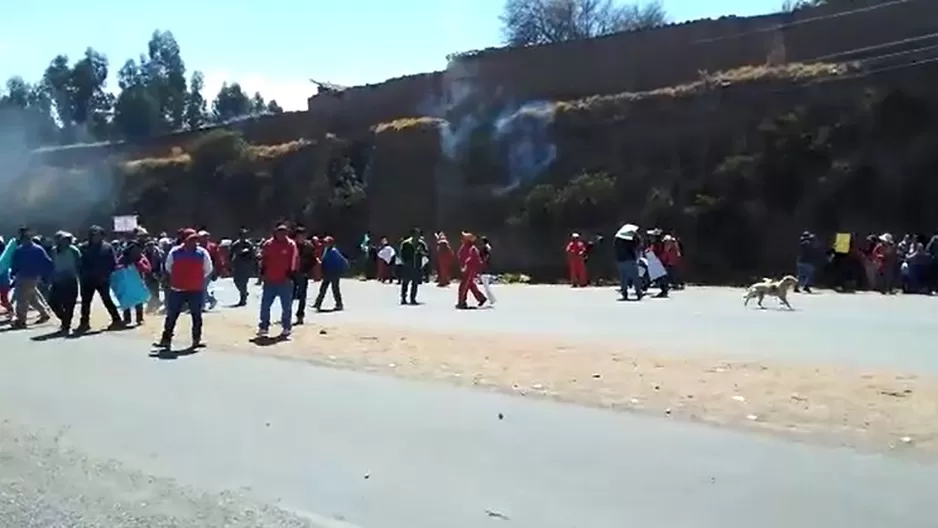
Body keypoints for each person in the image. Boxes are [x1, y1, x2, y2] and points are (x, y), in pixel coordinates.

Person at [158, 229, 213, 349]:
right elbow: (168, 267)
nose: (194, 242)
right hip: (178, 289)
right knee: (172, 315)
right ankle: (166, 339)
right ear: (184, 240)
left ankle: (196, 340)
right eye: (191, 239)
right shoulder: (175, 252)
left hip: (195, 289)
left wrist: (195, 278)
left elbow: (208, 269)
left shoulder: (202, 253)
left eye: (195, 239)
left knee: (196, 316)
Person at [76, 225, 123, 332]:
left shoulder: (107, 247)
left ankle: (117, 320)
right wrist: (82, 275)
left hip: (103, 279)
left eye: (98, 235)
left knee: (107, 300)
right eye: (93, 235)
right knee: (86, 302)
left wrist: (108, 273)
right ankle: (84, 323)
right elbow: (79, 263)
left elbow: (113, 263)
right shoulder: (83, 247)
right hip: (87, 279)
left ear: (102, 235)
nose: (96, 237)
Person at [257, 225, 298, 338]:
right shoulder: (268, 244)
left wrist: (291, 273)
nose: (282, 235)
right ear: (275, 232)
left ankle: (286, 327)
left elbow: (294, 259)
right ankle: (263, 326)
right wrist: (261, 275)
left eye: (284, 232)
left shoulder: (291, 244)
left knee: (286, 306)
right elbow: (263, 260)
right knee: (265, 305)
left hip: (285, 280)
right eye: (280, 232)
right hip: (270, 280)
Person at [9, 227, 54, 329]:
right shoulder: (38, 249)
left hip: (24, 276)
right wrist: (45, 275)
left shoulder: (20, 250)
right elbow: (48, 262)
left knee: (22, 299)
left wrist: (13, 274)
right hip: (34, 277)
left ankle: (21, 320)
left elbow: (15, 264)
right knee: (32, 297)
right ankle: (44, 313)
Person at [48, 231, 82, 333]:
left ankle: (66, 324)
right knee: (52, 302)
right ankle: (64, 318)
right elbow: (50, 264)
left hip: (70, 280)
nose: (63, 241)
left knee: (69, 304)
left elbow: (80, 264)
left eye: (66, 239)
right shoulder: (53, 251)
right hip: (57, 281)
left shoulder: (74, 250)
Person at [119, 241, 151, 326]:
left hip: (138, 281)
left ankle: (139, 318)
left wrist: (141, 265)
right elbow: (117, 267)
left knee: (139, 300)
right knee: (126, 300)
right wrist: (123, 267)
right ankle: (127, 319)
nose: (137, 251)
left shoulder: (141, 257)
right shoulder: (124, 257)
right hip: (126, 282)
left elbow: (148, 268)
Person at [313, 236, 347, 312]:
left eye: (327, 242)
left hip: (333, 273)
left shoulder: (333, 251)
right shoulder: (326, 250)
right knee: (323, 288)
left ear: (331, 243)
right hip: (327, 273)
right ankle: (318, 303)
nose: (325, 244)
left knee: (335, 289)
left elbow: (338, 262)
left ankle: (339, 304)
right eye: (325, 242)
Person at [293, 226, 318, 324]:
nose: (301, 238)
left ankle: (300, 315)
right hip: (292, 274)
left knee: (302, 296)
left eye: (303, 236)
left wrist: (308, 271)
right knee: (289, 295)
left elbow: (313, 260)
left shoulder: (309, 246)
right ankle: (286, 314)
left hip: (303, 274)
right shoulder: (292, 245)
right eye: (299, 236)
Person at [456, 232, 487, 309]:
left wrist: (466, 265)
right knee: (471, 285)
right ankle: (481, 298)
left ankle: (462, 302)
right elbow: (459, 255)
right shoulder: (464, 247)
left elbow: (473, 259)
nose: (462, 240)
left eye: (464, 238)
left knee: (463, 286)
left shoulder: (472, 249)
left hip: (470, 270)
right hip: (465, 269)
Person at [398, 228, 429, 305]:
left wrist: (422, 252)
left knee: (415, 283)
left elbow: (427, 253)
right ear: (413, 234)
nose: (418, 236)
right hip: (408, 266)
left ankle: (413, 298)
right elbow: (401, 254)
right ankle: (403, 298)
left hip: (417, 266)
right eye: (416, 234)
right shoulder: (406, 243)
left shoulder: (421, 244)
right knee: (405, 283)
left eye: (419, 234)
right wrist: (404, 262)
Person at [614, 228, 643, 301]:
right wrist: (636, 235)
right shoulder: (630, 241)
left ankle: (624, 293)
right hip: (630, 260)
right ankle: (638, 292)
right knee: (635, 277)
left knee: (623, 278)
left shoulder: (617, 240)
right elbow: (637, 244)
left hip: (620, 260)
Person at [229, 228, 255, 306]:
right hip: (238, 265)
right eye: (242, 235)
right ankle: (244, 292)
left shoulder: (249, 244)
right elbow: (231, 254)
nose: (244, 237)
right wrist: (230, 264)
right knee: (236, 281)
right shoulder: (235, 244)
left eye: (245, 235)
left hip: (246, 265)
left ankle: (243, 299)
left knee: (244, 282)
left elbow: (253, 254)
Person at [198, 230, 220, 310]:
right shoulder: (197, 247)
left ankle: (203, 305)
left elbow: (217, 259)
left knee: (202, 287)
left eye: (204, 237)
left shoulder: (212, 246)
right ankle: (211, 300)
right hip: (199, 269)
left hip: (209, 269)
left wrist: (217, 271)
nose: (202, 239)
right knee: (200, 287)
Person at [478, 235, 497, 304]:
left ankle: (492, 299)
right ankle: (492, 299)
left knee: (486, 286)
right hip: (486, 269)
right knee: (486, 286)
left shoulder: (485, 248)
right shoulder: (488, 247)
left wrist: (483, 263)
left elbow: (486, 256)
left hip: (485, 269)